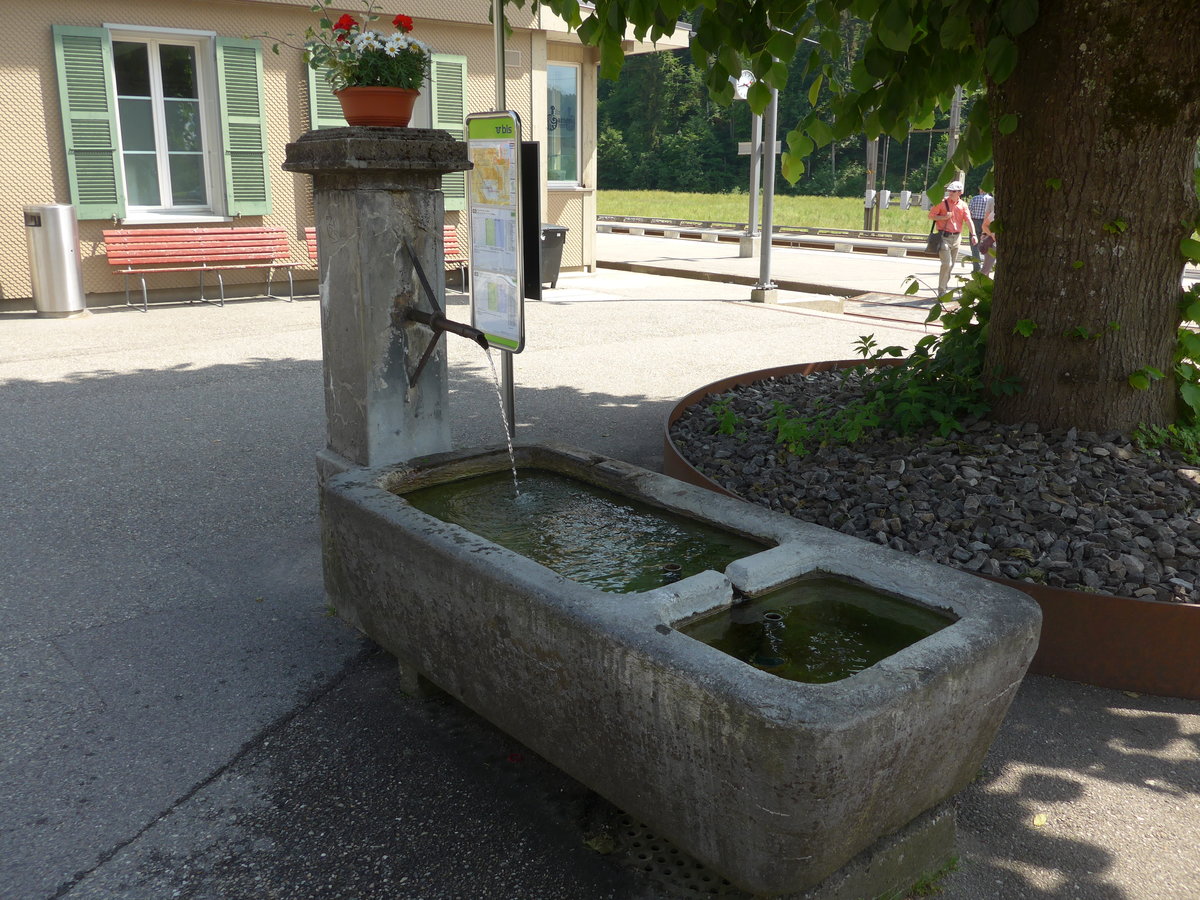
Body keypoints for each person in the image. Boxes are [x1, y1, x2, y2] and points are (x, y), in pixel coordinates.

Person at [928, 180, 976, 296]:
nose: (950, 193)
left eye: (953, 191)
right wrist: (944, 217)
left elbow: (968, 220)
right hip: (944, 237)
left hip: (957, 238)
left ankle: (944, 286)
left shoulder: (963, 205)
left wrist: (973, 234)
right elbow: (931, 216)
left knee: (952, 265)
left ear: (960, 192)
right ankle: (942, 291)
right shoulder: (941, 202)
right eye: (949, 191)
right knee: (947, 264)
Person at [967, 185, 993, 272]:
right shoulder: (990, 199)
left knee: (974, 244)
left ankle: (976, 266)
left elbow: (969, 211)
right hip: (986, 223)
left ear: (980, 189)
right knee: (987, 243)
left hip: (975, 222)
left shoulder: (974, 198)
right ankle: (987, 267)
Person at [979, 201, 997, 277]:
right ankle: (978, 286)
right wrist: (992, 234)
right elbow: (985, 225)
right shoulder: (996, 212)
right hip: (993, 245)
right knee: (986, 269)